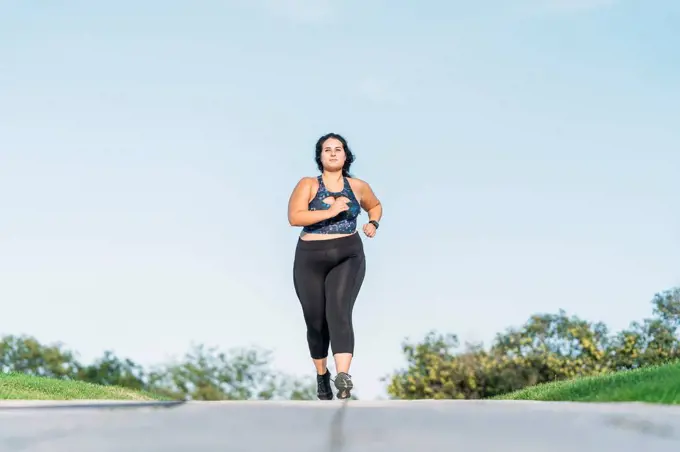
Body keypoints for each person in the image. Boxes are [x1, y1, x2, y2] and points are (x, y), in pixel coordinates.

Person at [287, 132, 383, 400]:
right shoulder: (308, 184)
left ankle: (343, 377)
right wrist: (331, 210)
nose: (332, 153)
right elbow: (295, 217)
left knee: (339, 312)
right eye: (326, 149)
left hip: (347, 254)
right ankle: (322, 375)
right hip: (309, 256)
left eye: (337, 149)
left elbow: (374, 205)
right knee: (315, 321)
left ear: (345, 155)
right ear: (320, 156)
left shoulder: (358, 186)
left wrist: (373, 222)